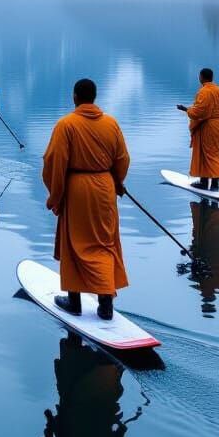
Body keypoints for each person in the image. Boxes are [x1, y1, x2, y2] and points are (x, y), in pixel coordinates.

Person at [42, 78, 130, 320]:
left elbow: (54, 163)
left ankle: (74, 301)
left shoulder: (66, 125)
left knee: (74, 242)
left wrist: (55, 196)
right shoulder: (111, 124)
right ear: (94, 97)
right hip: (104, 189)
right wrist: (116, 182)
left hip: (77, 189)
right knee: (104, 242)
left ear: (75, 97)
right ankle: (105, 305)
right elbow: (122, 159)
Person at [177, 67, 219, 190]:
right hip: (217, 126)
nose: (199, 78)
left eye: (199, 76)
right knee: (214, 153)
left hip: (207, 127)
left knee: (207, 153)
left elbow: (199, 112)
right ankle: (209, 183)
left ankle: (209, 184)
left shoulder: (204, 92)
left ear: (202, 77)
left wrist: (186, 109)